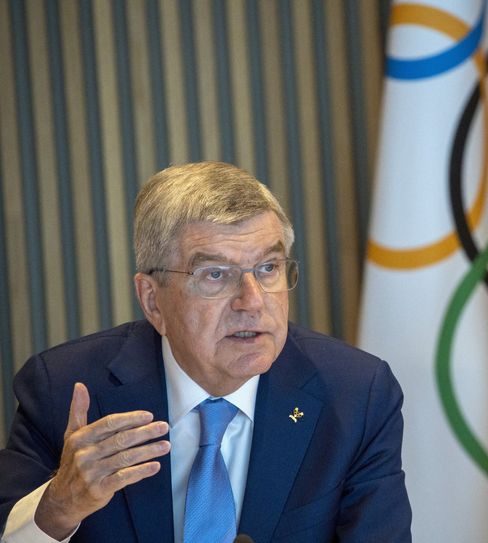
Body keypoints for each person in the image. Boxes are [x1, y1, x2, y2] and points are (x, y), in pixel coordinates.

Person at [0, 162, 412, 542]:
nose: (252, 301)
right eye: (215, 274)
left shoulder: (356, 394)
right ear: (153, 301)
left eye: (268, 268)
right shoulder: (65, 391)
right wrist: (58, 508)